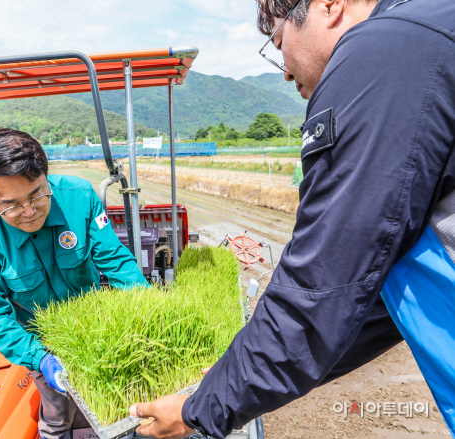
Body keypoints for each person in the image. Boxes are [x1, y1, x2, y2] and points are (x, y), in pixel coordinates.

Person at [128, 0, 455, 437]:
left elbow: (321, 287)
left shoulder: (382, 52)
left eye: (278, 41)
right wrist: (228, 377)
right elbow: (362, 298)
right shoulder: (429, 30)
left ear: (330, 5)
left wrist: (199, 408)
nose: (283, 69)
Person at [0, 128, 148, 439]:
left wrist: (147, 304)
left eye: (36, 194)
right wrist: (40, 358)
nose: (29, 211)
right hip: (40, 345)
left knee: (116, 402)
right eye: (11, 205)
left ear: (45, 175)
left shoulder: (79, 197)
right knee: (58, 415)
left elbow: (114, 260)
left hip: (95, 329)